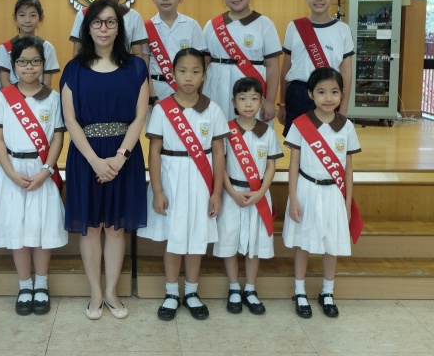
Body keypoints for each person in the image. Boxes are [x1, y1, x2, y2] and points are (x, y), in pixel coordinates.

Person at [61, 0, 149, 320]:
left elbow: (139, 117)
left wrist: (120, 158)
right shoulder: (74, 69)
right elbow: (70, 121)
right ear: (88, 28)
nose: (104, 28)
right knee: (91, 228)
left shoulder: (136, 67)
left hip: (124, 156)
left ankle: (111, 292)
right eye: (97, 22)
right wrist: (96, 161)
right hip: (86, 156)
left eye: (110, 22)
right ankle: (95, 293)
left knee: (115, 229)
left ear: (119, 28)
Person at [137, 48, 227, 321]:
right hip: (171, 178)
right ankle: (171, 292)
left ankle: (191, 291)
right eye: (183, 71)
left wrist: (217, 192)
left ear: (204, 75)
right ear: (173, 73)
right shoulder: (162, 109)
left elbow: (219, 152)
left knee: (197, 238)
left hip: (201, 181)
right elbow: (154, 151)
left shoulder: (213, 109)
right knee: (174, 239)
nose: (189, 77)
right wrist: (157, 190)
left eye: (196, 71)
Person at [0, 36, 68, 316]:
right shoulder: (2, 98)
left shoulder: (53, 98)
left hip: (42, 171)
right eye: (22, 62)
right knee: (17, 230)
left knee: (42, 228)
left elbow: (57, 137)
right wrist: (9, 172)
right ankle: (24, 285)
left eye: (35, 61)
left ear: (44, 64)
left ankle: (41, 284)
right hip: (12, 172)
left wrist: (47, 170)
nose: (29, 67)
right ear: (13, 65)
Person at [282, 67, 362, 319]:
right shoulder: (300, 124)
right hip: (306, 190)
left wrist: (347, 203)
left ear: (342, 94)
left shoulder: (346, 126)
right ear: (310, 94)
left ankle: (327, 291)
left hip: (334, 193)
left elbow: (348, 168)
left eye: (334, 92)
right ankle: (299, 291)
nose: (328, 98)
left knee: (332, 244)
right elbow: (293, 164)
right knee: (302, 243)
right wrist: (293, 198)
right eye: (322, 92)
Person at [212, 77, 283, 315]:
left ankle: (250, 288)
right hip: (232, 194)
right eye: (243, 98)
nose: (249, 104)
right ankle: (234, 287)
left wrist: (261, 192)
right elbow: (220, 165)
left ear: (262, 101)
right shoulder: (226, 130)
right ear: (234, 102)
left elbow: (271, 167)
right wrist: (231, 192)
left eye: (254, 98)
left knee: (255, 244)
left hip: (259, 196)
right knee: (229, 240)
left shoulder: (267, 132)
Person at [277, 0, 354, 136]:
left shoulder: (343, 29)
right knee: (297, 142)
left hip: (329, 95)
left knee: (327, 141)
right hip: (298, 93)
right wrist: (282, 103)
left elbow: (346, 71)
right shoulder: (294, 27)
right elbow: (285, 68)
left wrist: (343, 108)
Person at [201, 0, 281, 123]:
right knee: (217, 130)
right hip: (216, 89)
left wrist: (271, 101)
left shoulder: (265, 24)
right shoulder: (212, 25)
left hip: (251, 92)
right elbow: (203, 64)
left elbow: (273, 66)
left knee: (250, 133)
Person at [143, 0, 206, 110]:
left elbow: (200, 63)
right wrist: (152, 97)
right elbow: (144, 66)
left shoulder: (192, 25)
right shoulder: (146, 28)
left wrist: (196, 93)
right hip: (156, 91)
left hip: (186, 91)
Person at [69, 0, 148, 63]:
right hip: (90, 69)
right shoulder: (84, 14)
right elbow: (78, 52)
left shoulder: (133, 16)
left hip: (123, 69)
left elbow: (137, 54)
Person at [0, 0, 60, 88]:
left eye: (33, 15)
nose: (27, 20)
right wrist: (16, 97)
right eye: (22, 15)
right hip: (12, 96)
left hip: (39, 95)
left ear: (41, 18)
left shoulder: (47, 47)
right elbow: (4, 81)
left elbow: (47, 83)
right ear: (15, 18)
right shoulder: (5, 47)